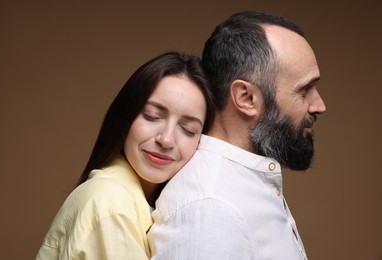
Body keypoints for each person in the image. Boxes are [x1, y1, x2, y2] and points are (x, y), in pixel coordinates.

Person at [148, 11, 326, 260]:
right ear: (246, 98)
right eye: (305, 90)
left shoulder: (240, 185)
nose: (319, 105)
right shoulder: (210, 209)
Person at [36, 51, 215, 259]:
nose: (166, 140)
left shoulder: (165, 208)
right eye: (152, 116)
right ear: (125, 117)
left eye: (188, 129)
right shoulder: (110, 202)